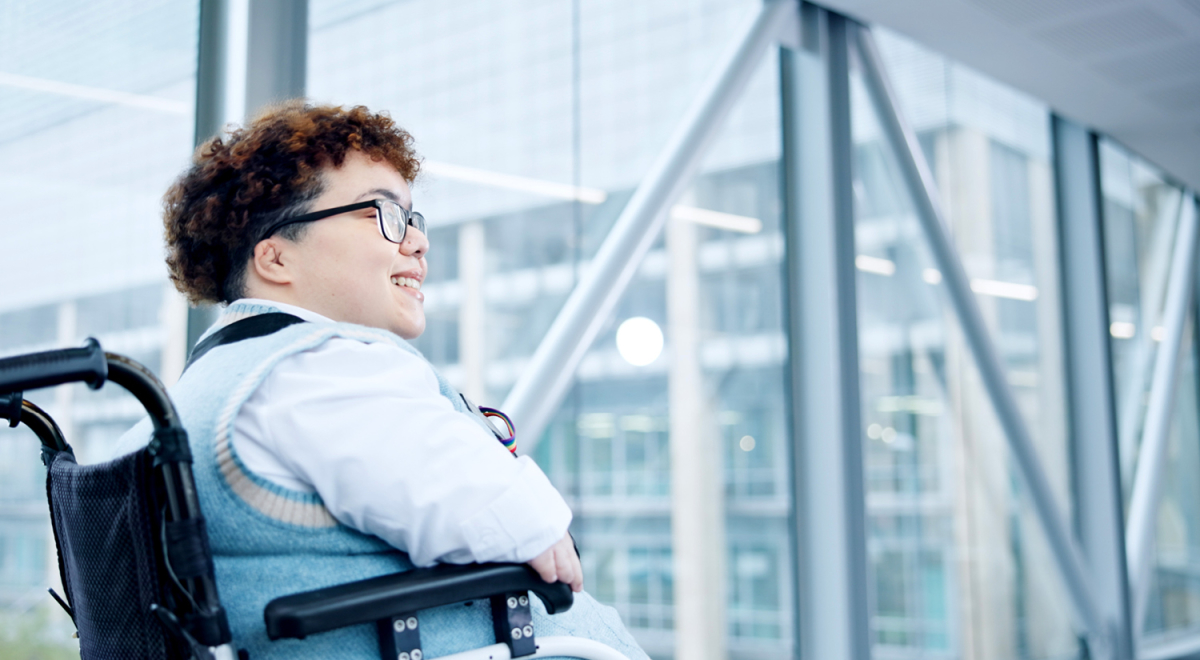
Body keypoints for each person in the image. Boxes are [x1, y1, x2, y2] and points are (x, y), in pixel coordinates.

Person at [113, 101, 649, 659]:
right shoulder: (325, 369)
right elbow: (515, 523)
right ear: (275, 258)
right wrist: (540, 521)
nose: (416, 243)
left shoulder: (199, 393)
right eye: (383, 215)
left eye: (412, 220)